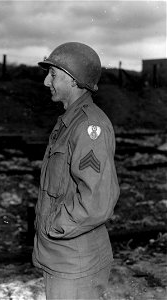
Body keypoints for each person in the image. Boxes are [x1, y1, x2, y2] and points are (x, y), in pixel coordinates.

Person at [32, 42, 120, 299]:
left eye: (53, 75)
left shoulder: (89, 126)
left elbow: (96, 201)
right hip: (63, 258)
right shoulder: (69, 121)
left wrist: (54, 227)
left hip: (75, 262)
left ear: (72, 80)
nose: (46, 81)